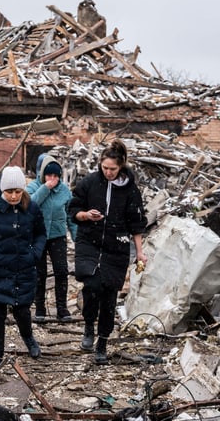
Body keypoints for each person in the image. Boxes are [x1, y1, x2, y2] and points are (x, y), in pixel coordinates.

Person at [68, 139, 147, 365]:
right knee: (92, 286)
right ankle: (88, 327)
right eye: (105, 168)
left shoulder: (131, 190)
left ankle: (102, 341)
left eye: (113, 169)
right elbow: (73, 208)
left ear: (121, 166)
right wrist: (84, 215)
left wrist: (140, 252)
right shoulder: (90, 183)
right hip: (89, 242)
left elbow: (136, 223)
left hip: (116, 246)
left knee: (109, 295)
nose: (109, 172)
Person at [0, 166, 47, 373]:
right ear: (2, 190)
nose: (13, 196)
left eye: (17, 191)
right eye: (9, 192)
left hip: (24, 268)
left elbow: (41, 234)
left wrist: (35, 253)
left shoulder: (32, 208)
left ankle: (29, 340)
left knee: (22, 311)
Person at [26, 154, 77, 322]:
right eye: (49, 175)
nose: (53, 179)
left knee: (61, 271)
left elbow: (71, 215)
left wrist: (76, 236)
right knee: (39, 273)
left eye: (56, 176)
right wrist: (45, 188)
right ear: (42, 175)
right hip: (38, 236)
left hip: (57, 235)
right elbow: (30, 205)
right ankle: (40, 308)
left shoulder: (64, 190)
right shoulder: (33, 187)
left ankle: (62, 309)